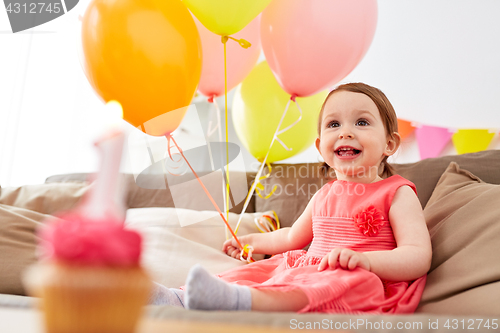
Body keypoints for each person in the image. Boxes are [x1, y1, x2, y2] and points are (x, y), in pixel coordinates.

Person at [151, 82, 432, 314]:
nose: (346, 131)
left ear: (389, 143)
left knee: (359, 283)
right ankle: (176, 298)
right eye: (334, 124)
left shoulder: (397, 192)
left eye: (361, 122)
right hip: (310, 270)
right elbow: (289, 239)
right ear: (322, 147)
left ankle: (243, 302)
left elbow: (418, 256)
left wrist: (367, 262)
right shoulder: (324, 194)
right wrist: (253, 242)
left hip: (360, 276)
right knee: (262, 270)